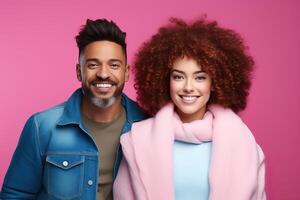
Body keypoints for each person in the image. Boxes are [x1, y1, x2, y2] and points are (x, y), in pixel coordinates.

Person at [113, 17, 266, 200]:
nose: (188, 87)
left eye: (200, 77)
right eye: (178, 77)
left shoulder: (243, 144)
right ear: (165, 81)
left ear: (214, 82)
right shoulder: (138, 142)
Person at [0, 19, 147, 200]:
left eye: (114, 65)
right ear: (79, 71)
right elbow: (15, 195)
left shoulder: (146, 126)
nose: (103, 73)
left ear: (126, 72)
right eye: (93, 65)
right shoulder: (42, 127)